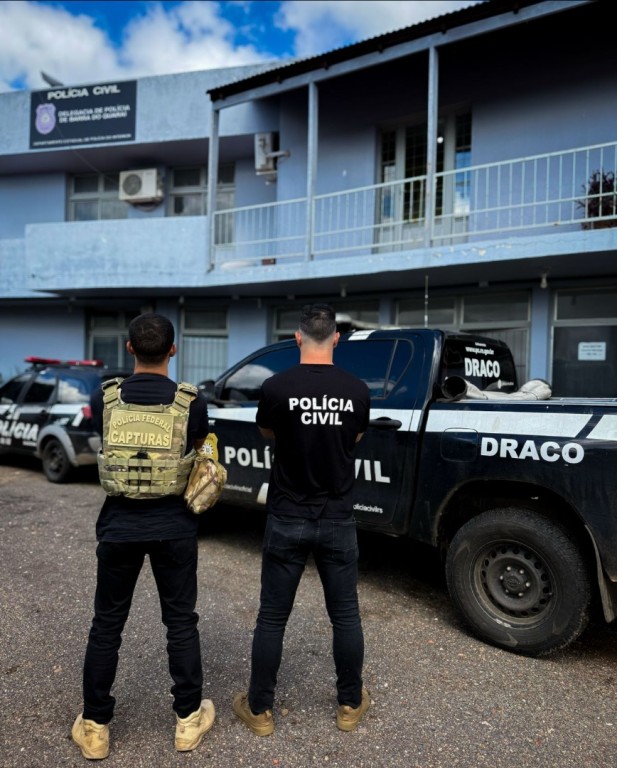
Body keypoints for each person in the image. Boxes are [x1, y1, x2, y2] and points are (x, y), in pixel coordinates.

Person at [72, 312, 214, 760]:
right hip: (174, 528)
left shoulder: (105, 397)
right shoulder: (192, 402)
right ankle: (187, 721)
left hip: (119, 527)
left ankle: (95, 727)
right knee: (181, 622)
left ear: (129, 348)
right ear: (173, 350)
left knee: (107, 624)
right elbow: (203, 453)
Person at [233, 303, 371, 736]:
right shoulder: (357, 390)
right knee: (345, 615)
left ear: (297, 337)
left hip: (288, 514)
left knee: (272, 618)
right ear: (336, 338)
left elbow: (268, 432)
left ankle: (259, 710)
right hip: (337, 516)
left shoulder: (276, 387)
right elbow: (355, 437)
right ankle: (350, 704)